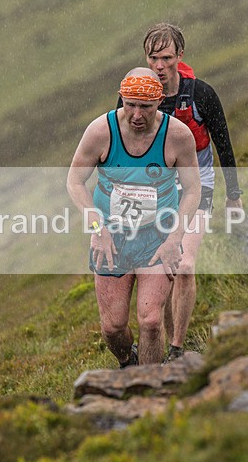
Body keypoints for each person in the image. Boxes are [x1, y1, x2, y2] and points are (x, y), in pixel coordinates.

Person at [67, 68, 201, 367]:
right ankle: (128, 363)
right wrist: (97, 227)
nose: (137, 115)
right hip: (111, 236)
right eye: (130, 105)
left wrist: (175, 239)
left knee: (151, 321)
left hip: (158, 235)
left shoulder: (178, 136)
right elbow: (75, 181)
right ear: (121, 99)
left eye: (146, 107)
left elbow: (193, 190)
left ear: (160, 102)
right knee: (113, 327)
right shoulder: (100, 132)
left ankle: (151, 384)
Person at [137, 23, 244, 363]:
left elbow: (223, 143)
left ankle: (177, 348)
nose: (159, 66)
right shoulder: (138, 96)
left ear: (180, 56)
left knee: (184, 264)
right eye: (153, 58)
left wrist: (234, 194)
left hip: (198, 185)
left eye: (167, 58)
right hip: (156, 190)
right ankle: (164, 341)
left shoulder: (201, 95)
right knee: (163, 267)